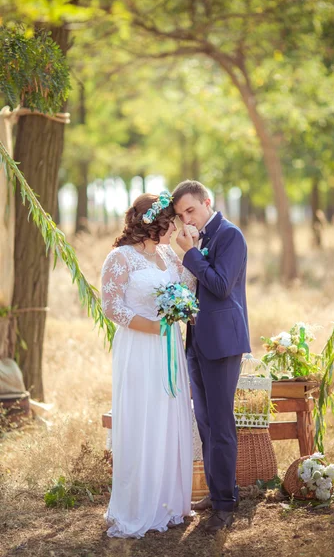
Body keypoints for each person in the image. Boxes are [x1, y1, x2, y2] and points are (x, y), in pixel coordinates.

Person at [101, 192, 197, 538]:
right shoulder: (120, 258)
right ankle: (138, 505)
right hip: (140, 349)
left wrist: (188, 257)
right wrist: (154, 326)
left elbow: (187, 289)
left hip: (169, 349)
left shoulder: (170, 254)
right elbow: (112, 307)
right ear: (154, 222)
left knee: (168, 417)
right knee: (143, 418)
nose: (176, 226)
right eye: (171, 220)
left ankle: (167, 504)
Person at [173, 180, 251, 534]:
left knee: (221, 424)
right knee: (204, 422)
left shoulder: (230, 235)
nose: (186, 219)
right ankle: (219, 491)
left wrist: (190, 254)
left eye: (190, 210)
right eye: (180, 215)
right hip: (196, 342)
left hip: (222, 343)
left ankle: (224, 506)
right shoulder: (199, 238)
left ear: (207, 202)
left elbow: (220, 286)